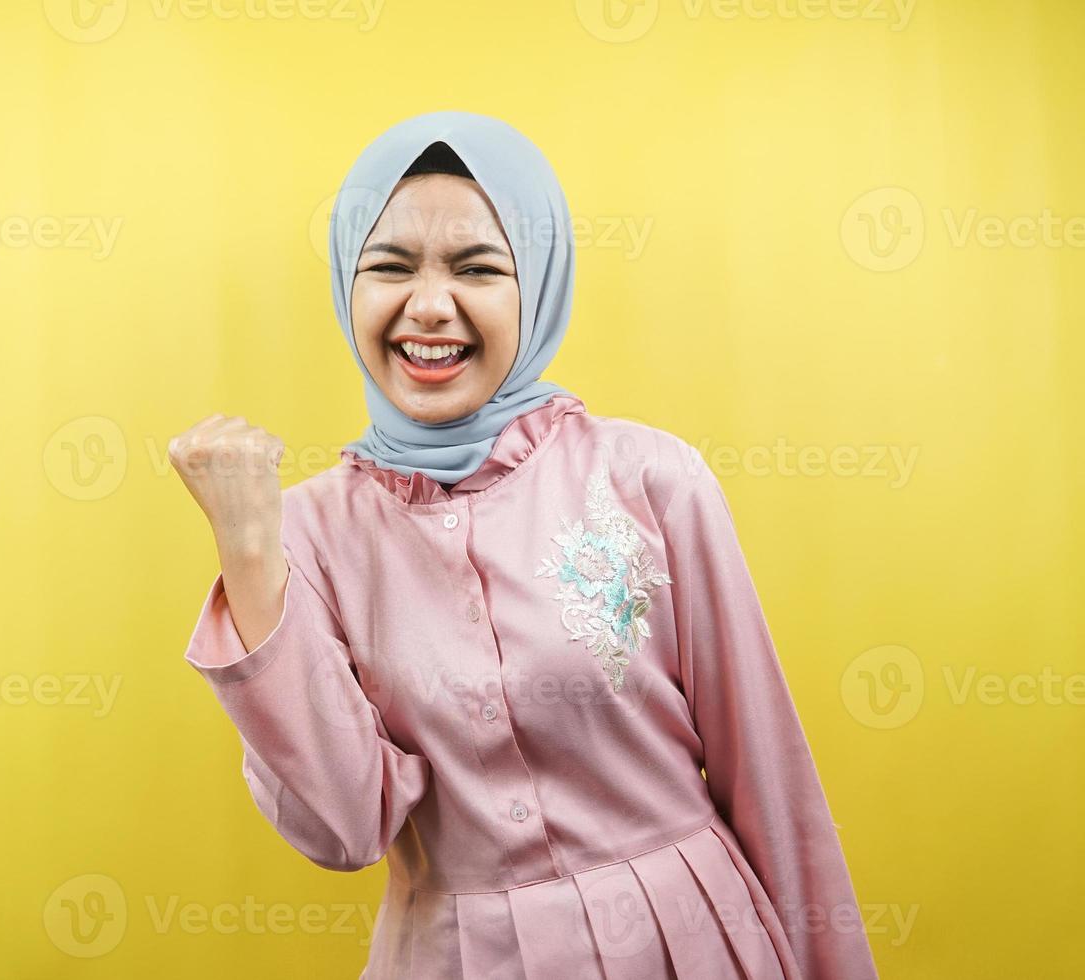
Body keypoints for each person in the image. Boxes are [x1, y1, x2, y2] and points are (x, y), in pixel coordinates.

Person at [171, 110, 879, 979]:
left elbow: (769, 775)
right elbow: (342, 828)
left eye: (478, 268)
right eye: (388, 266)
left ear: (537, 285)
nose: (429, 306)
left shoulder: (649, 478)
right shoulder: (309, 535)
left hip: (685, 945)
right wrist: (249, 553)